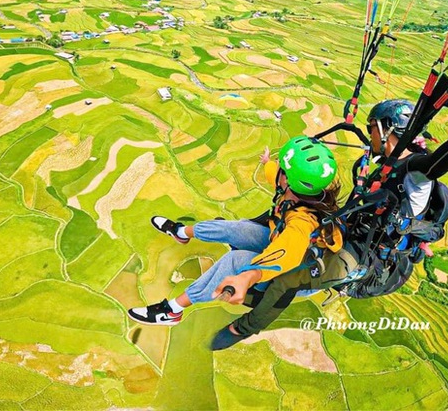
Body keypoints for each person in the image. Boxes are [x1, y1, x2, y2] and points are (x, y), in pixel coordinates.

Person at [208, 100, 448, 350]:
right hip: (348, 229)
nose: (369, 137)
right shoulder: (389, 163)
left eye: (371, 130)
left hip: (363, 255)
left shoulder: (414, 173)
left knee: (288, 279)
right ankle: (243, 249)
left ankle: (244, 328)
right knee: (291, 216)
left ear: (384, 129)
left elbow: (433, 167)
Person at [127, 136, 343, 326]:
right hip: (277, 239)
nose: (277, 170)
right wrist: (267, 162)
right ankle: (181, 233)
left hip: (296, 272)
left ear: (288, 180)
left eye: (282, 170)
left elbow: (287, 254)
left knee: (235, 260)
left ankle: (172, 310)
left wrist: (248, 276)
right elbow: (273, 172)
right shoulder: (297, 189)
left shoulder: (302, 223)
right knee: (236, 229)